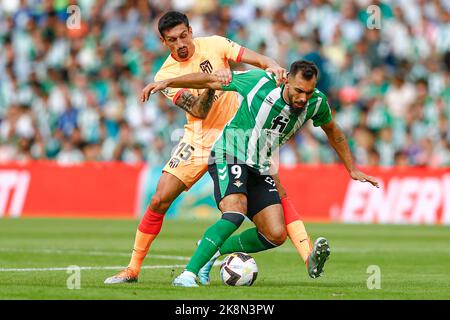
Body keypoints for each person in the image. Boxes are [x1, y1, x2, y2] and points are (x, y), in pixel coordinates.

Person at [105, 11, 322, 285]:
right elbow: (199, 110)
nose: (181, 43)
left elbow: (260, 59)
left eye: (184, 35)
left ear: (191, 31)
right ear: (163, 42)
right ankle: (133, 270)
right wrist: (212, 84)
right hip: (199, 138)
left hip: (240, 135)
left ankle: (307, 255)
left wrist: (275, 68)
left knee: (277, 191)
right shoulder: (167, 74)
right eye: (173, 40)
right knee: (160, 199)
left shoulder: (216, 44)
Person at [143, 60, 380, 287]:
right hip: (229, 152)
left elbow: (333, 131)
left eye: (308, 92)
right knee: (235, 212)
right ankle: (187, 275)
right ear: (286, 80)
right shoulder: (260, 81)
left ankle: (213, 249)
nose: (302, 98)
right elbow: (211, 80)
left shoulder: (316, 103)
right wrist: (169, 83)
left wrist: (352, 168)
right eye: (298, 90)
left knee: (275, 234)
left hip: (260, 165)